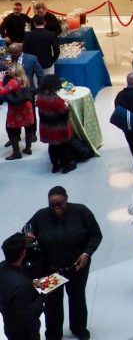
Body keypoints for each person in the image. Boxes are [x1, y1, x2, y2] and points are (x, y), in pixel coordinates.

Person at [26, 186, 102, 340]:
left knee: (77, 298)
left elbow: (95, 235)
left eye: (59, 204)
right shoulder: (41, 215)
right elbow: (26, 231)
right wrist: (27, 238)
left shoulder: (81, 212)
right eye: (52, 205)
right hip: (50, 270)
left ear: (66, 199)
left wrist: (87, 253)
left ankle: (79, 328)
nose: (56, 208)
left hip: (76, 268)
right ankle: (53, 335)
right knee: (51, 304)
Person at [0, 232, 43, 340]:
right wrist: (43, 293)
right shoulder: (23, 285)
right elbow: (29, 314)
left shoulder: (1, 267)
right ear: (24, 253)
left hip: (9, 325)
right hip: (26, 333)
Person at [35, 75, 75, 174]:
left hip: (47, 128)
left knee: (52, 147)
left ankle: (55, 166)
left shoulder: (40, 97)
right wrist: (66, 105)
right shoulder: (56, 100)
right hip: (59, 128)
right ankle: (67, 166)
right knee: (64, 147)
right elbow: (65, 112)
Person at [0, 65, 34, 161]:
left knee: (11, 129)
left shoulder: (14, 82)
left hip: (16, 110)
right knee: (29, 128)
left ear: (15, 71)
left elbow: (2, 92)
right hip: (27, 107)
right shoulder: (25, 79)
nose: (8, 70)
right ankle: (28, 148)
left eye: (10, 69)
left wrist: (1, 80)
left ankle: (16, 152)